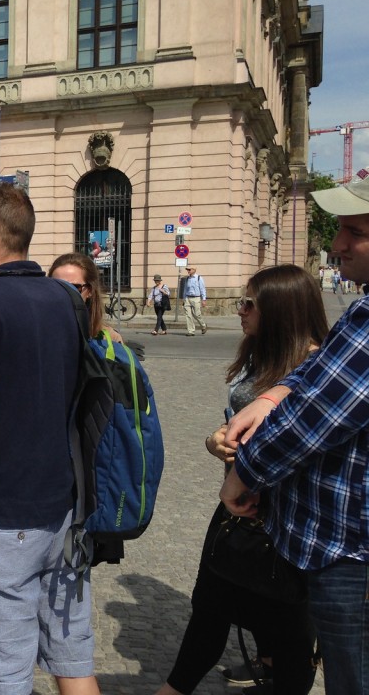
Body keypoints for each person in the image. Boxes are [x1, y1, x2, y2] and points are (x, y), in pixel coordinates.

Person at [0, 182, 99, 694]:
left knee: (6, 674)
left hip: (6, 517)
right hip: (65, 508)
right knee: (73, 664)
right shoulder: (67, 299)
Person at [221, 177, 369, 694]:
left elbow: (311, 425)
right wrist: (271, 396)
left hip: (350, 554)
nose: (336, 244)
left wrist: (239, 476)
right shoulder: (361, 313)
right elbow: (317, 375)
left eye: (354, 231)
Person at [156, 264, 325, 695]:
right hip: (236, 512)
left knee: (287, 632)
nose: (239, 310)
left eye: (250, 303)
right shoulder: (259, 354)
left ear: (282, 311)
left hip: (285, 521)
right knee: (209, 610)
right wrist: (214, 442)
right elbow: (234, 424)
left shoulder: (313, 366)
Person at [48, 252, 124, 343]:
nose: (64, 294)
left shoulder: (110, 339)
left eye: (74, 288)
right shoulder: (38, 332)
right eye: (57, 286)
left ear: (90, 290)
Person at [182, 266, 208, 336]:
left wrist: (203, 299)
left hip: (196, 298)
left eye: (189, 269)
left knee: (197, 314)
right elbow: (185, 289)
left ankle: (203, 325)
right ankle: (191, 331)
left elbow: (202, 289)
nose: (188, 271)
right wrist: (184, 298)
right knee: (188, 315)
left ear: (194, 270)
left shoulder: (199, 278)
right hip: (187, 298)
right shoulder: (187, 278)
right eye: (187, 270)